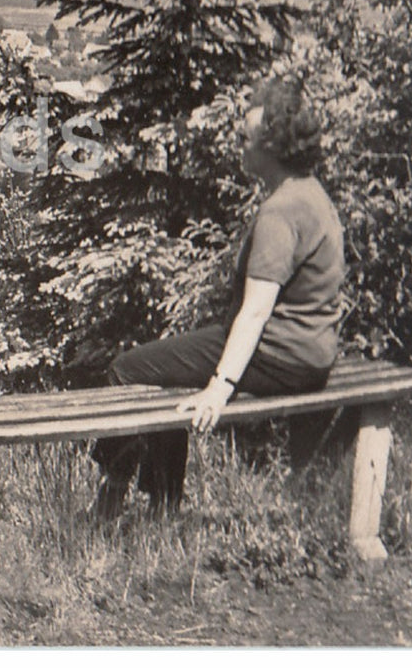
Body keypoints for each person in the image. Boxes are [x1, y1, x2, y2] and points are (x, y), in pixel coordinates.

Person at [92, 77, 347, 517]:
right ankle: (162, 501)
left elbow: (255, 311)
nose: (239, 146)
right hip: (313, 356)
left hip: (279, 355)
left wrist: (220, 387)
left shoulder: (279, 211)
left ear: (274, 148)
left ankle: (115, 495)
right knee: (168, 369)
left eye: (246, 139)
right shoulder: (313, 194)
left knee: (129, 369)